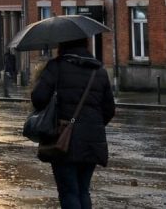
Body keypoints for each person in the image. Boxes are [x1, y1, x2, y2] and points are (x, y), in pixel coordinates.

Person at [31, 37, 116, 209]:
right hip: (93, 140)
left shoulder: (56, 67)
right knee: (83, 190)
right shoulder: (99, 70)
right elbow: (109, 109)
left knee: (69, 191)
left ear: (63, 44)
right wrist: (93, 126)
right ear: (85, 44)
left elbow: (38, 99)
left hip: (63, 139)